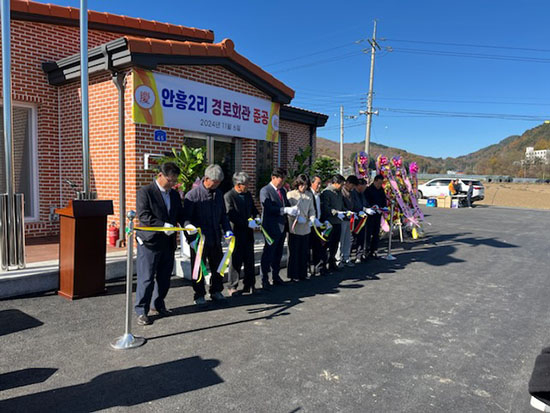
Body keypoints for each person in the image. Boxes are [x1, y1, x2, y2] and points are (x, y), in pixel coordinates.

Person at [134, 162, 186, 326]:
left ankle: (157, 304)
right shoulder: (146, 192)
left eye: (175, 181)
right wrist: (163, 226)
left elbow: (180, 214)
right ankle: (141, 311)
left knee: (164, 278)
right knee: (147, 278)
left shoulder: (174, 195)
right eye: (170, 180)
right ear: (160, 176)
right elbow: (144, 216)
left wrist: (188, 225)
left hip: (168, 242)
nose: (172, 184)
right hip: (150, 242)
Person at [184, 164, 233, 306]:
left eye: (219, 183)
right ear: (206, 179)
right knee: (198, 268)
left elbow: (223, 215)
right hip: (199, 240)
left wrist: (227, 230)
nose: (217, 185)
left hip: (215, 237)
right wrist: (190, 238)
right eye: (215, 182)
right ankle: (199, 294)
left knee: (218, 266)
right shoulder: (192, 196)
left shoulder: (219, 194)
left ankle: (216, 290)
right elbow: (186, 219)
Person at [259, 168, 298, 290]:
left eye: (284, 180)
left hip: (282, 226)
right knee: (268, 253)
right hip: (270, 227)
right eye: (281, 180)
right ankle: (264, 279)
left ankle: (275, 276)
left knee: (278, 253)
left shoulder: (282, 190)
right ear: (273, 178)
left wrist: (292, 209)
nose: (282, 183)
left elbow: (286, 204)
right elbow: (268, 208)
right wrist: (283, 210)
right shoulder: (265, 190)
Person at [224, 172, 260, 296]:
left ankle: (249, 284)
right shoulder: (229, 196)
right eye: (246, 184)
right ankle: (232, 286)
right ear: (238, 185)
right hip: (236, 233)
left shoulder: (248, 195)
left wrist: (257, 218)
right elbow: (231, 214)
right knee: (235, 260)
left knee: (249, 259)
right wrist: (246, 223)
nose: (248, 186)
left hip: (248, 233)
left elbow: (253, 209)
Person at [286, 174, 317, 281]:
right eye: (301, 185)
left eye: (305, 185)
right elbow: (288, 210)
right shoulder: (290, 194)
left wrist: (312, 218)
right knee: (294, 252)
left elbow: (312, 209)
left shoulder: (309, 195)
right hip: (294, 228)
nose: (303, 187)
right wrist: (296, 218)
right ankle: (293, 274)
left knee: (304, 252)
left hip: (306, 227)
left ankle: (302, 273)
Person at [320, 174, 346, 272]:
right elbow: (326, 207)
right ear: (336, 183)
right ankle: (323, 265)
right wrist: (336, 212)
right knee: (326, 244)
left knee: (335, 244)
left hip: (338, 222)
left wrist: (345, 212)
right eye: (341, 184)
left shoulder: (339, 193)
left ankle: (332, 262)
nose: (342, 186)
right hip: (329, 223)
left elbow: (341, 205)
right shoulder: (327, 192)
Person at [338, 175, 359, 267]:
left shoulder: (352, 193)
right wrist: (347, 211)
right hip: (343, 218)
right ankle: (339, 259)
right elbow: (341, 205)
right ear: (348, 183)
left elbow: (354, 203)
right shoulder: (342, 191)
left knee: (348, 239)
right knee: (341, 240)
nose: (352, 188)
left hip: (350, 218)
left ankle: (346, 257)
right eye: (352, 185)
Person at [364, 174, 387, 259]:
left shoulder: (381, 190)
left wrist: (383, 207)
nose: (380, 185)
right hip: (370, 214)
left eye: (381, 183)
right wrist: (372, 207)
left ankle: (374, 250)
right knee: (368, 233)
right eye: (379, 183)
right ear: (375, 181)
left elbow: (383, 200)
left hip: (378, 214)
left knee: (376, 233)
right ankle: (366, 251)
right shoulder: (368, 190)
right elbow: (366, 202)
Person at [309, 175, 327, 276]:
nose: (319, 186)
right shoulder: (309, 194)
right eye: (317, 183)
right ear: (312, 183)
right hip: (310, 225)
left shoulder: (319, 195)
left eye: (320, 184)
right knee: (309, 248)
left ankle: (319, 267)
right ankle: (309, 269)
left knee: (319, 246)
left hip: (319, 224)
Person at [351, 178, 369, 262]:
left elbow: (365, 203)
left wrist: (369, 208)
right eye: (364, 186)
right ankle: (347, 256)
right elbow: (353, 205)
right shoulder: (353, 193)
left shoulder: (362, 194)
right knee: (352, 239)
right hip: (355, 219)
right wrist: (361, 210)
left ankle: (359, 255)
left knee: (361, 238)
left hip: (362, 219)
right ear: (359, 186)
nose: (365, 188)